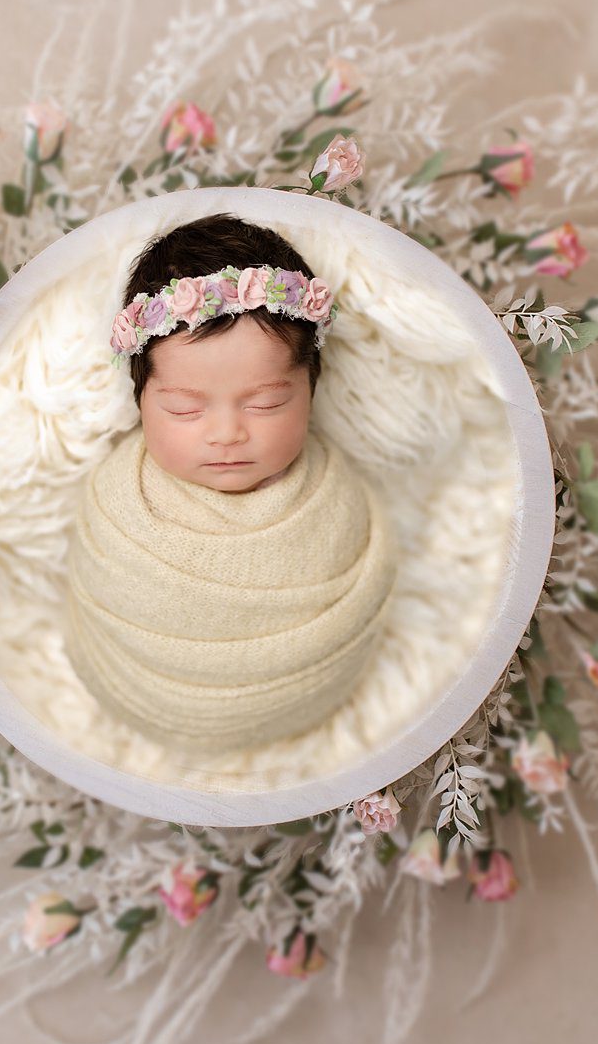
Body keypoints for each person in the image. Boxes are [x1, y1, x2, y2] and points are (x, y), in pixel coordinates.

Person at [62, 214, 400, 760]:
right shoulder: (117, 504)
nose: (226, 434)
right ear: (140, 399)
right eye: (184, 408)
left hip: (308, 705)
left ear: (312, 388)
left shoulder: (333, 501)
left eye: (266, 403)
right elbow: (99, 596)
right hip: (142, 699)